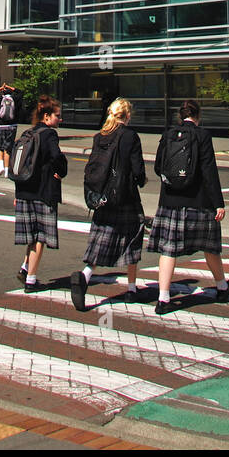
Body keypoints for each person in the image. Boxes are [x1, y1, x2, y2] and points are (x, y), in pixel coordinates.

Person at [147, 99, 229, 316]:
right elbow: (209, 171)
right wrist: (218, 204)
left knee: (168, 250)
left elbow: (158, 166)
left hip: (170, 202)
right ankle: (222, 286)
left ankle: (163, 298)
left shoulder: (168, 134)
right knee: (209, 247)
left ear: (180, 116)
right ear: (198, 116)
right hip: (198, 202)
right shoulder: (202, 135)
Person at [70, 98, 147, 311]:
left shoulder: (100, 136)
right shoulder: (130, 136)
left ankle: (85, 275)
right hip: (125, 197)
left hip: (102, 198)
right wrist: (141, 180)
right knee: (133, 238)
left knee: (100, 240)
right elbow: (138, 169)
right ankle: (131, 288)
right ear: (127, 115)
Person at [14, 95, 67, 293]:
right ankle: (31, 280)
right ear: (46, 116)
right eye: (57, 116)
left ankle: (25, 267)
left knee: (32, 235)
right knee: (40, 237)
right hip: (42, 191)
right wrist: (61, 172)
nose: (60, 120)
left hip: (24, 190)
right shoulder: (49, 134)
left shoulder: (28, 132)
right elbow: (57, 157)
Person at [0, 81, 23, 178]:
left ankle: (1, 167)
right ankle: (7, 171)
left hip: (1, 126)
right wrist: (11, 87)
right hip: (12, 127)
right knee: (8, 149)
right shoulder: (15, 99)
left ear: (3, 93)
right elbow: (21, 92)